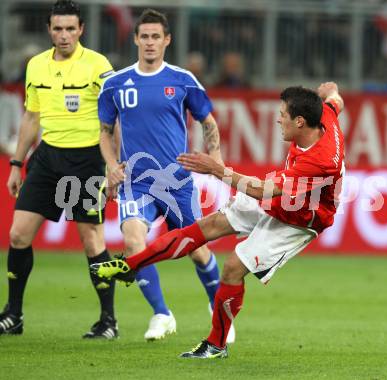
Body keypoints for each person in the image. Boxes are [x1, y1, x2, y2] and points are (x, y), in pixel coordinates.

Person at [92, 82, 345, 358]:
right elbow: (335, 99)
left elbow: (261, 190)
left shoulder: (320, 161)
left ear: (300, 121)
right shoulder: (326, 116)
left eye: (283, 114)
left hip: (300, 218)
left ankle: (216, 345)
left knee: (233, 268)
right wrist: (328, 92)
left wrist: (216, 169)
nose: (278, 118)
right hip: (282, 195)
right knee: (208, 226)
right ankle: (131, 265)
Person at [98, 9, 234, 343]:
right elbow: (104, 130)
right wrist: (111, 165)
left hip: (177, 182)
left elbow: (209, 122)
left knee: (198, 250)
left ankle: (218, 312)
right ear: (135, 39)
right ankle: (161, 313)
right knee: (133, 241)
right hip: (136, 182)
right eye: (143, 36)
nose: (149, 42)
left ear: (167, 40)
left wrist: (214, 157)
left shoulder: (183, 79)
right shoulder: (115, 83)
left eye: (155, 36)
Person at [0, 0, 118, 338]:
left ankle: (108, 320)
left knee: (91, 240)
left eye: (70, 29)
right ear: (49, 30)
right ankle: (14, 314)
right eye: (58, 29)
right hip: (48, 157)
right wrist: (16, 164)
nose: (64, 35)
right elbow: (31, 117)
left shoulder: (98, 66)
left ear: (81, 30)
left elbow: (114, 119)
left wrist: (113, 165)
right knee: (18, 234)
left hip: (87, 160)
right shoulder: (35, 66)